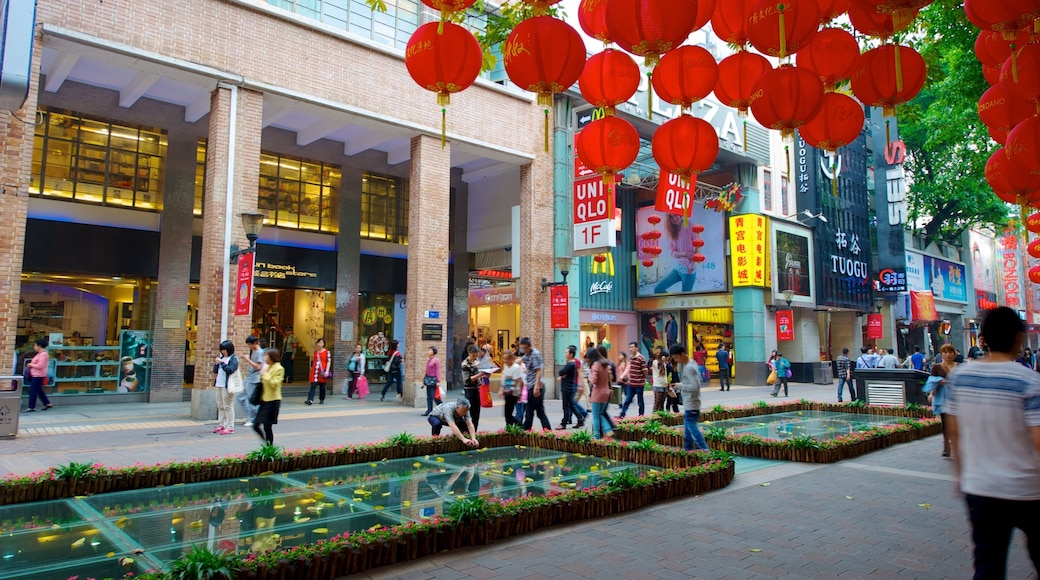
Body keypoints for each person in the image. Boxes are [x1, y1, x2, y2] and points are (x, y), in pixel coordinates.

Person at [945, 306, 1040, 579]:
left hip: (980, 487)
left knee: (988, 565)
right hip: (1027, 489)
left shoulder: (960, 377)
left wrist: (962, 477)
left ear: (983, 339)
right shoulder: (1030, 381)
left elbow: (955, 433)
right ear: (1017, 338)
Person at [670, 344, 708, 451]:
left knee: (692, 429)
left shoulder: (689, 368)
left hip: (692, 404)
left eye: (676, 357)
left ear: (682, 354)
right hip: (690, 403)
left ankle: (705, 450)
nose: (676, 360)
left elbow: (695, 386)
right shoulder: (689, 364)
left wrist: (681, 386)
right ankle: (689, 451)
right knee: (687, 434)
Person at [925, 344, 958, 457]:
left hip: (956, 399)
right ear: (941, 354)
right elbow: (931, 381)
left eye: (950, 352)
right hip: (942, 398)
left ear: (954, 354)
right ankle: (946, 447)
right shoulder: (937, 367)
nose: (948, 355)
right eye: (945, 352)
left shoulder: (959, 366)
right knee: (945, 423)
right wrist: (932, 393)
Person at [654, 214, 700, 293]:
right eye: (671, 217)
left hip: (688, 270)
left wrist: (693, 263)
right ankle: (673, 305)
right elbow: (673, 253)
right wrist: (685, 253)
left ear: (680, 214)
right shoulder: (672, 231)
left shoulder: (689, 224)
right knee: (658, 289)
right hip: (677, 269)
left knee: (685, 299)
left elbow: (698, 245)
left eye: (676, 215)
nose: (674, 219)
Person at [519, 337, 552, 431]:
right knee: (540, 412)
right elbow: (520, 360)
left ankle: (525, 432)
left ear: (530, 346)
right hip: (532, 385)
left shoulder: (534, 354)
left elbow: (539, 371)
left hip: (535, 385)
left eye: (525, 348)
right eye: (522, 348)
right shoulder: (528, 354)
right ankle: (548, 431)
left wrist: (536, 386)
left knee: (529, 411)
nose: (524, 350)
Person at [253, 348, 284, 445]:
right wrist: (263, 373)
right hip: (265, 400)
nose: (264, 358)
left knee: (267, 426)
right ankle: (267, 443)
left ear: (272, 357)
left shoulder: (279, 368)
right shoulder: (268, 367)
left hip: (273, 400)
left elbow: (275, 384)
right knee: (256, 425)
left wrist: (265, 375)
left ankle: (269, 446)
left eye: (266, 356)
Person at [585, 347, 614, 439]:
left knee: (595, 416)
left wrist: (589, 376)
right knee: (601, 414)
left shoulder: (595, 365)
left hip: (597, 393)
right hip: (606, 392)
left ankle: (597, 435)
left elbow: (594, 381)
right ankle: (608, 429)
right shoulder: (605, 364)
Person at [556, 345, 586, 429]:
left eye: (566, 352)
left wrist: (562, 374)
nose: (565, 354)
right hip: (569, 386)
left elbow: (561, 372)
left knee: (566, 406)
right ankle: (580, 420)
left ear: (571, 354)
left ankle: (563, 423)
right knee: (571, 405)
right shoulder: (571, 363)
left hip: (567, 387)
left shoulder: (571, 364)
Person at [212, 340, 239, 435]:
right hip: (219, 384)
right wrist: (217, 363)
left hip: (227, 385)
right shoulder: (222, 357)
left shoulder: (233, 359)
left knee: (228, 405)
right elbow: (215, 371)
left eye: (225, 350)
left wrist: (222, 363)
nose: (223, 352)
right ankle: (221, 424)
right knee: (220, 405)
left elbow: (230, 370)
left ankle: (230, 426)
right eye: (222, 350)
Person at [237, 335, 262, 428]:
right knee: (240, 397)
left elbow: (258, 367)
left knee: (251, 400)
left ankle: (253, 418)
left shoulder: (259, 352)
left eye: (249, 345)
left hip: (254, 379)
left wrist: (247, 360)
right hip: (249, 378)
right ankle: (253, 416)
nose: (249, 347)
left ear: (255, 343)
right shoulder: (254, 351)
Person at [460, 345, 486, 430]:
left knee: (476, 413)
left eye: (476, 355)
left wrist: (487, 373)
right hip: (469, 391)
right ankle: (467, 432)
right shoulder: (465, 364)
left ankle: (475, 432)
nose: (475, 357)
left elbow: (482, 376)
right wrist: (480, 374)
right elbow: (466, 380)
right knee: (469, 413)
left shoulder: (477, 362)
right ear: (469, 353)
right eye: (473, 355)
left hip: (478, 390)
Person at [619, 343, 647, 418]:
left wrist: (642, 379)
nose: (630, 349)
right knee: (627, 400)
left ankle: (641, 415)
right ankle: (622, 414)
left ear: (636, 348)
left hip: (639, 384)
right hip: (631, 384)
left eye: (632, 347)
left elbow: (645, 371)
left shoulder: (641, 358)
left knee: (640, 401)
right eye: (630, 347)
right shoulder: (631, 358)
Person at [24, 337, 53, 412]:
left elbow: (41, 366)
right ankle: (47, 403)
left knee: (32, 391)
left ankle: (32, 407)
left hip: (38, 375)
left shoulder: (43, 354)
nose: (34, 347)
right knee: (39, 390)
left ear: (39, 346)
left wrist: (31, 365)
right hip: (35, 375)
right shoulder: (40, 354)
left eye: (35, 345)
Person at [501, 350, 523, 427]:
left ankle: (514, 426)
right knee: (507, 413)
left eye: (507, 359)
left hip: (514, 393)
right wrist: (501, 390)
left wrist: (519, 393)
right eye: (504, 359)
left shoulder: (516, 367)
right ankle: (515, 425)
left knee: (508, 413)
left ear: (511, 358)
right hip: (507, 391)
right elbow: (504, 379)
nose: (505, 361)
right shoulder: (505, 366)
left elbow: (519, 381)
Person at [306, 337, 330, 405]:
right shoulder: (315, 352)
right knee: (313, 385)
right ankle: (310, 400)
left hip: (322, 372)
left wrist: (327, 371)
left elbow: (328, 361)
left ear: (324, 344)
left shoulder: (327, 352)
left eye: (321, 342)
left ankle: (322, 399)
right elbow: (314, 361)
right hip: (315, 371)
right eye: (319, 342)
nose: (320, 344)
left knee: (322, 386)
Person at [422, 346, 442, 416]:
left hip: (433, 379)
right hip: (428, 379)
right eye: (428, 350)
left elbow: (438, 371)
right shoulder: (429, 360)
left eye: (430, 350)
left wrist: (438, 381)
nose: (429, 352)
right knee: (429, 396)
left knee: (434, 396)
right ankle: (429, 410)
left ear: (434, 352)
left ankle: (442, 407)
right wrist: (424, 381)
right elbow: (427, 371)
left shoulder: (436, 360)